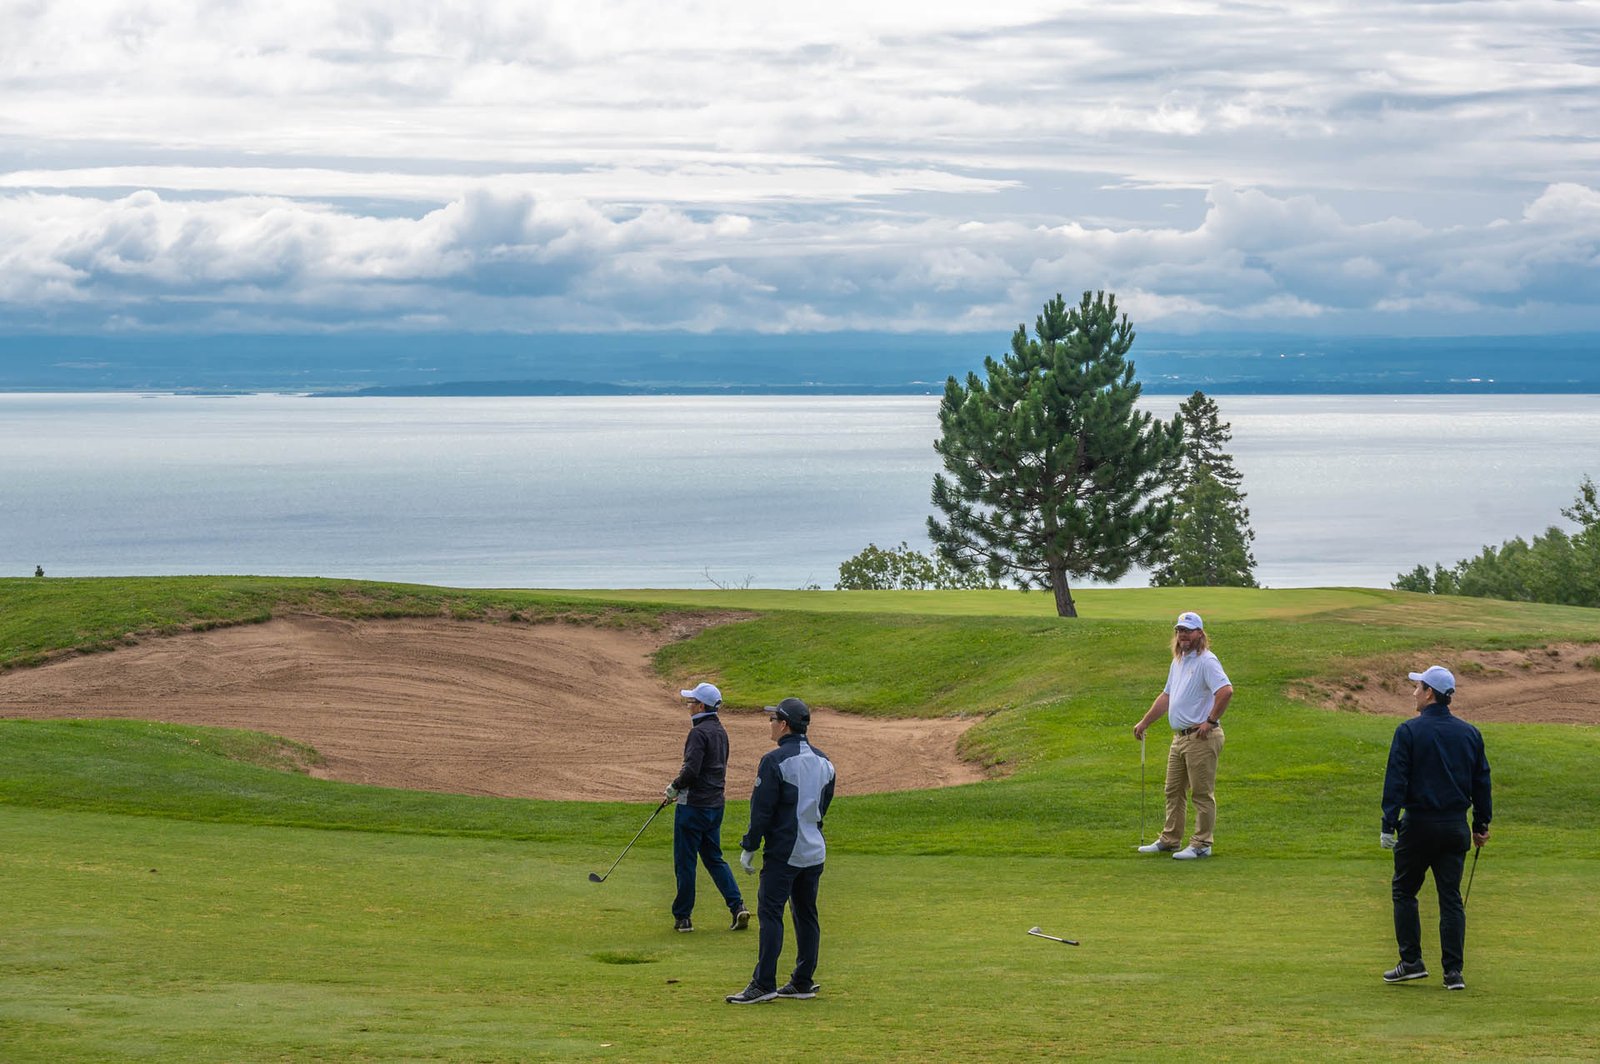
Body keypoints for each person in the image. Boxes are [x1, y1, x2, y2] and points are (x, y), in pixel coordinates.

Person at [1380, 665, 1492, 991]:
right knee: (1451, 897)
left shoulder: (1408, 731)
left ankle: (1411, 962)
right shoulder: (1470, 733)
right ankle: (1453, 973)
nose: (1413, 692)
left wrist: (1388, 823)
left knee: (1404, 891)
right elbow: (1481, 782)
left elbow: (1396, 780)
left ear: (1430, 693)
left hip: (1418, 826)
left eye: (1418, 687)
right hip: (1455, 827)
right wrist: (1481, 824)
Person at [725, 697, 836, 1004]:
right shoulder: (825, 761)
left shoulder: (774, 761)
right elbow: (824, 805)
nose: (770, 724)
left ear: (784, 724)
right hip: (814, 850)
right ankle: (802, 980)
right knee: (806, 913)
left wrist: (750, 845)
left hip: (785, 851)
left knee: (771, 913)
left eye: (773, 719)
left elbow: (762, 811)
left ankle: (764, 984)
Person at [1132, 611, 1234, 860]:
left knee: (1201, 793)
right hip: (1179, 738)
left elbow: (1226, 691)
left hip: (1201, 738)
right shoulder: (1178, 661)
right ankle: (1170, 840)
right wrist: (1145, 722)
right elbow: (1167, 696)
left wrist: (1210, 721)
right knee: (1173, 790)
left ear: (1199, 633)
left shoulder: (1207, 661)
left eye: (1188, 631)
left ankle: (1202, 844)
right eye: (1179, 631)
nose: (1183, 635)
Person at [666, 682, 749, 934]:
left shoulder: (698, 733)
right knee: (714, 858)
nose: (688, 705)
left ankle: (683, 917)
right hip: (715, 806)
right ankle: (737, 906)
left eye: (691, 702)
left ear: (701, 706)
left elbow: (691, 771)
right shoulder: (721, 732)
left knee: (685, 862)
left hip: (693, 807)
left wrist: (674, 787)